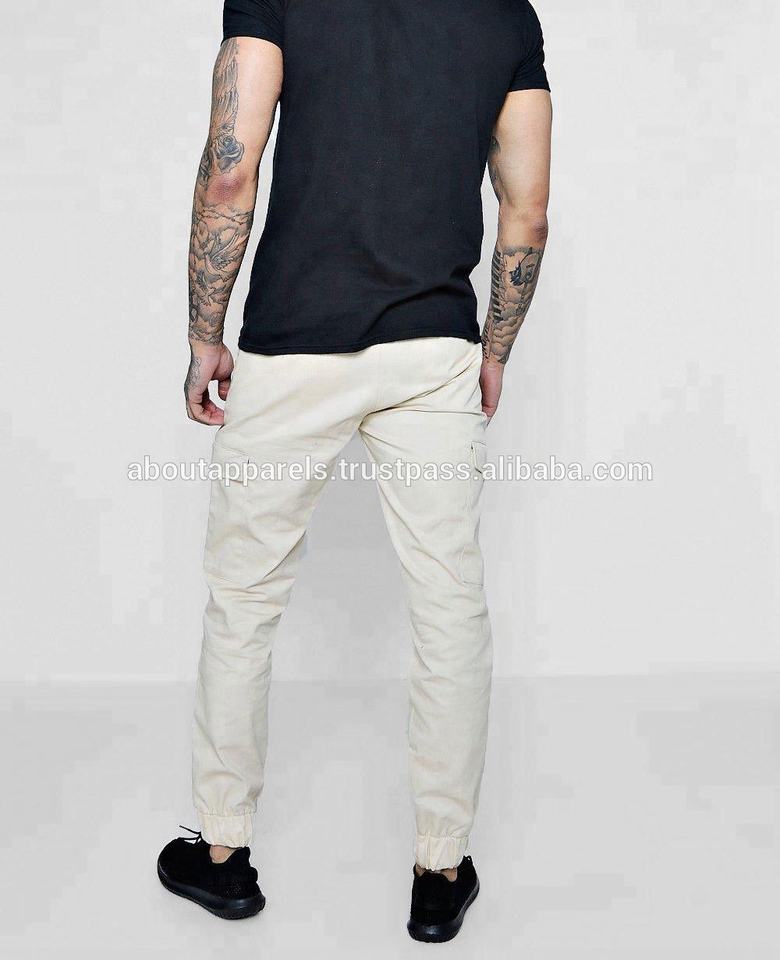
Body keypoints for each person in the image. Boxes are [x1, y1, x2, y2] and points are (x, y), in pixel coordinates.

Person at [156, 0, 551, 942]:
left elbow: (230, 170)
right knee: (449, 606)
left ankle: (222, 855)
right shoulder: (505, 14)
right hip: (434, 352)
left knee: (244, 602)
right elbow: (526, 211)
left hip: (292, 345)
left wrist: (205, 335)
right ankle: (441, 870)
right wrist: (494, 350)